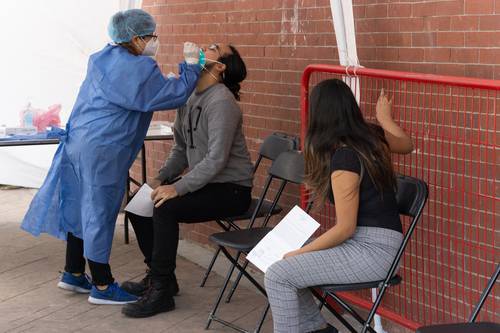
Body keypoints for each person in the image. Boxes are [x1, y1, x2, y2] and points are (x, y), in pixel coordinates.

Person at [20, 9, 201, 305]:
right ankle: (102, 286)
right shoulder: (138, 67)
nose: (154, 41)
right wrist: (192, 68)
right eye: (150, 36)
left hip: (81, 140)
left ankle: (74, 273)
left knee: (82, 205)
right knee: (99, 211)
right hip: (104, 148)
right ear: (135, 37)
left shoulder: (103, 58)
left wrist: (162, 82)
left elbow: (139, 92)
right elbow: (169, 96)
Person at [264, 79, 414, 333]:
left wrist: (302, 252)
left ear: (320, 116)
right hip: (381, 244)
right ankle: (315, 329)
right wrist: (384, 118)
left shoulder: (345, 158)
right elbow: (407, 145)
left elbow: (345, 228)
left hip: (373, 252)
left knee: (279, 274)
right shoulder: (372, 136)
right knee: (289, 271)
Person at [120, 43, 253, 318]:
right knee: (138, 204)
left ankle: (161, 291)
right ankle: (163, 278)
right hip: (205, 183)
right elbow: (180, 149)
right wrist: (161, 179)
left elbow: (216, 160)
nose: (203, 48)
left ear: (219, 67)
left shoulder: (222, 102)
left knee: (165, 208)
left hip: (232, 190)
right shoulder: (190, 96)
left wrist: (178, 187)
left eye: (212, 49)